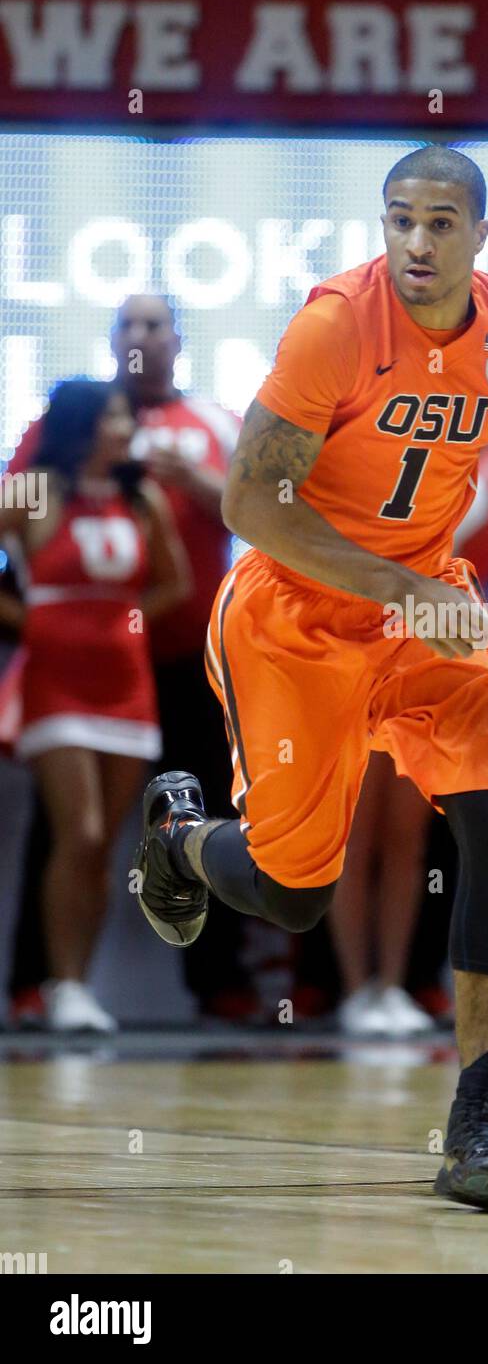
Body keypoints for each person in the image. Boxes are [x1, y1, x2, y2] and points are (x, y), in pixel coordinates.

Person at [131, 144, 488, 1212]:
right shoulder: (337, 323)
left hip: (429, 609)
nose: (415, 242)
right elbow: (249, 501)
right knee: (293, 892)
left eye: (437, 223)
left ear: (479, 234)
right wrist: (394, 583)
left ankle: (478, 1109)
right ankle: (180, 841)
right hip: (299, 612)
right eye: (398, 220)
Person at [6, 297, 256, 1026]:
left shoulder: (210, 424)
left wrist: (188, 480)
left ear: (178, 340)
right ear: (113, 340)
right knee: (68, 829)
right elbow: (22, 503)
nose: (142, 337)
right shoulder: (68, 421)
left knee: (199, 817)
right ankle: (38, 984)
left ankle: (220, 984)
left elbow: (259, 515)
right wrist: (36, 619)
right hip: (70, 670)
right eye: (128, 325)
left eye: (156, 325)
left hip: (186, 660)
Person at [0, 379, 189, 1031]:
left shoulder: (143, 499)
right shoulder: (33, 489)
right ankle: (59, 981)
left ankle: (77, 986)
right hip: (56, 683)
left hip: (127, 686)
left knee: (105, 843)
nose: (126, 427)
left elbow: (176, 583)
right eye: (114, 416)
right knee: (75, 831)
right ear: (83, 423)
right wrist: (23, 616)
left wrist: (125, 619)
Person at [330, 749, 435, 1037]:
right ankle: (356, 990)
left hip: (413, 710)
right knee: (352, 839)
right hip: (354, 708)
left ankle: (392, 986)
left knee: (407, 842)